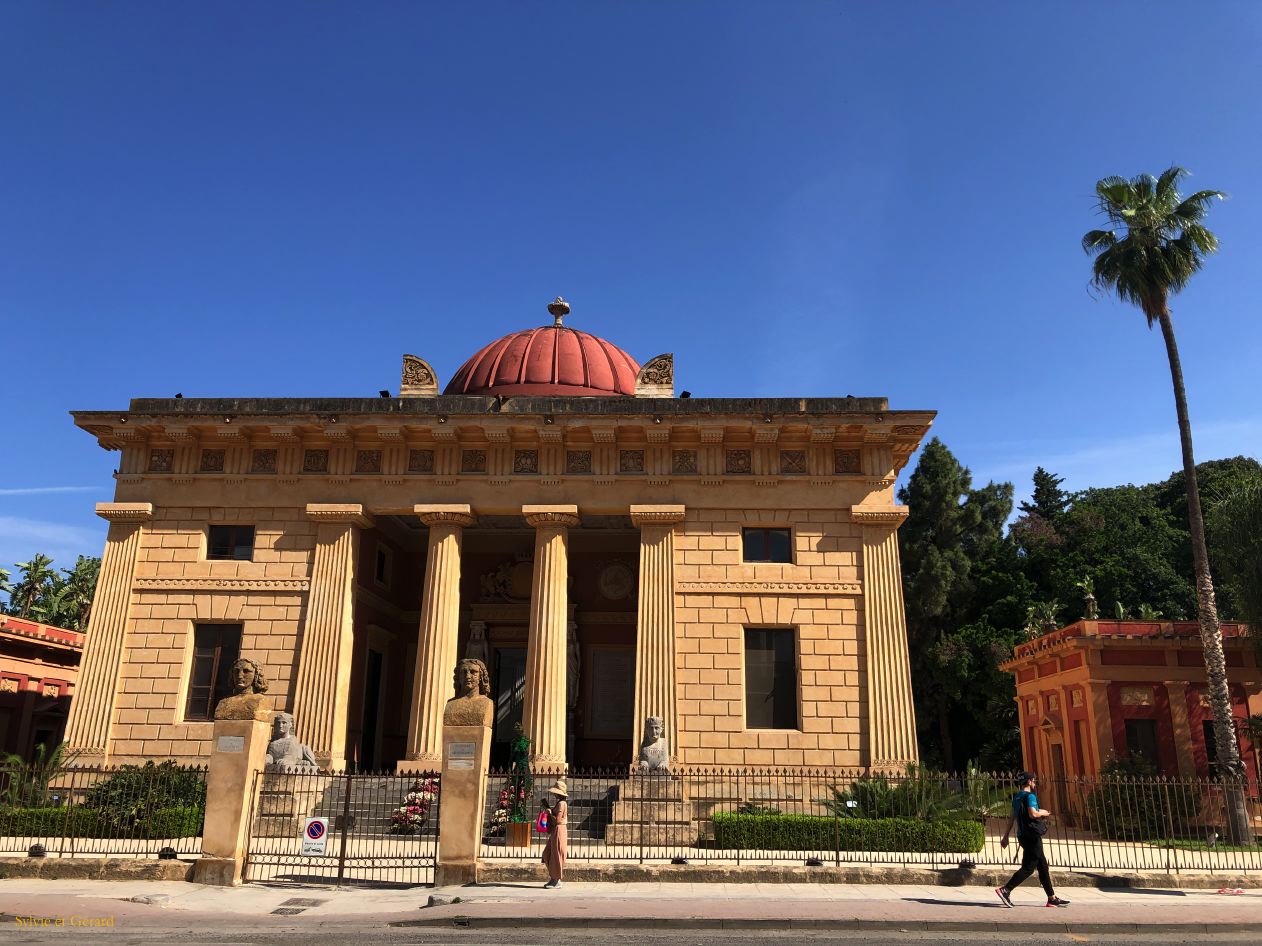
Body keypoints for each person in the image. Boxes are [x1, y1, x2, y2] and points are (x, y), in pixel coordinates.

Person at [996, 771, 1070, 908]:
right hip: (1032, 836)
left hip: (1023, 835)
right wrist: (1044, 812)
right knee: (1029, 868)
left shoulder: (1017, 797)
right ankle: (1005, 890)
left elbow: (1012, 818)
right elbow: (1033, 813)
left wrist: (1005, 836)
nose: (1035, 783)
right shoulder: (1030, 796)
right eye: (1034, 781)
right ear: (1029, 782)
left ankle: (1051, 898)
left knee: (1042, 866)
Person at [541, 777, 568, 889]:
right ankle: (553, 877)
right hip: (556, 829)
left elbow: (557, 819)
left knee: (556, 854)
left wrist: (549, 812)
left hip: (559, 829)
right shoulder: (560, 803)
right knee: (548, 854)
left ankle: (556, 880)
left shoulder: (562, 804)